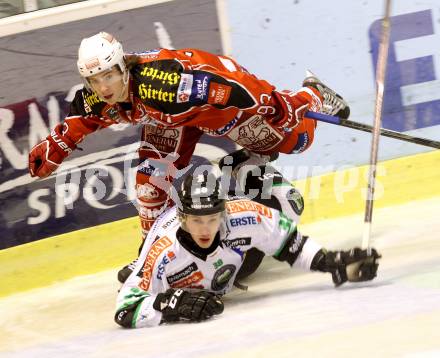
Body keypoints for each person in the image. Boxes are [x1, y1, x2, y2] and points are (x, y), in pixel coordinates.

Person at [27, 32, 350, 282]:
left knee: (294, 140)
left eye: (109, 76)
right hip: (169, 121)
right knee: (150, 187)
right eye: (95, 80)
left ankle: (314, 94)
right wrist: (56, 146)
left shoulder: (164, 85)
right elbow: (81, 119)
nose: (104, 87)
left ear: (122, 66)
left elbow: (233, 88)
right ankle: (148, 256)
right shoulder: (98, 97)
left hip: (216, 107)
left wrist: (275, 105)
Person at [114, 173, 380, 328]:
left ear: (224, 212)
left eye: (212, 218)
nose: (205, 229)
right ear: (183, 219)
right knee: (141, 278)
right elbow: (125, 310)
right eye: (196, 220)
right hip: (176, 277)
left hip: (231, 267)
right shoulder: (164, 249)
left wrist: (330, 262)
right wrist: (173, 305)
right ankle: (136, 267)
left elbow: (289, 244)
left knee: (285, 200)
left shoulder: (243, 215)